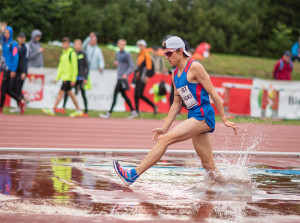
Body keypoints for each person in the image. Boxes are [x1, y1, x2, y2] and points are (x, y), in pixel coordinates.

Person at [113, 36, 237, 186]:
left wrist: (223, 118)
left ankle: (132, 174)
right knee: (208, 165)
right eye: (165, 54)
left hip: (203, 114)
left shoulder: (195, 67)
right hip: (194, 115)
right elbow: (176, 103)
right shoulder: (174, 73)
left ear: (180, 51)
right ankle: (231, 185)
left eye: (169, 54)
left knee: (165, 140)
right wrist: (164, 127)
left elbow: (213, 93)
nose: (166, 57)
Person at [42, 37, 83, 117]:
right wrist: (57, 78)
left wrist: (73, 79)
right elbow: (60, 68)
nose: (65, 45)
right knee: (70, 94)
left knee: (61, 93)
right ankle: (78, 110)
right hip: (64, 77)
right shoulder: (63, 54)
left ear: (69, 44)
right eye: (63, 44)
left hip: (69, 78)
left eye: (66, 44)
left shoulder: (72, 54)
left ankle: (53, 109)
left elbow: (75, 67)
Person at [100, 39, 137, 119]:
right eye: (120, 44)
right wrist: (116, 63)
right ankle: (133, 111)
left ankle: (109, 113)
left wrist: (125, 74)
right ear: (118, 45)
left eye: (123, 44)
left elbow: (131, 67)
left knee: (115, 94)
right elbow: (118, 63)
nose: (122, 46)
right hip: (119, 77)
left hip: (122, 79)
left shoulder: (127, 54)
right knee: (124, 96)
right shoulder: (117, 53)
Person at [60, 39, 89, 116]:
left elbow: (87, 67)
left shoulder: (83, 54)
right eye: (75, 45)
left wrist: (85, 77)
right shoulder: (72, 54)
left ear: (81, 45)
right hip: (74, 77)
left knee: (83, 93)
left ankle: (86, 111)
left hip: (81, 78)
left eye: (78, 45)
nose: (77, 46)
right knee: (67, 91)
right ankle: (63, 107)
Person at [0, 26, 26, 114]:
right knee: (7, 90)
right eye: (5, 32)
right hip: (4, 68)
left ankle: (1, 108)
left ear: (10, 33)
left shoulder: (13, 44)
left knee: (3, 88)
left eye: (8, 32)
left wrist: (13, 70)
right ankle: (20, 102)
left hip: (9, 69)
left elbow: (16, 57)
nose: (6, 34)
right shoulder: (4, 43)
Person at [131, 39, 156, 118]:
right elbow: (138, 67)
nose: (140, 47)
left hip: (143, 77)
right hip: (138, 77)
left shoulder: (146, 54)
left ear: (144, 46)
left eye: (141, 45)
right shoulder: (139, 54)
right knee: (136, 95)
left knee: (139, 94)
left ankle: (153, 106)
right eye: (139, 45)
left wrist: (147, 76)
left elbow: (149, 66)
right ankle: (137, 111)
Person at [10, 32, 28, 113]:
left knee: (17, 89)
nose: (21, 39)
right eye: (20, 37)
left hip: (21, 71)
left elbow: (25, 60)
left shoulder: (25, 48)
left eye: (23, 38)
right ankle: (24, 101)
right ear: (17, 38)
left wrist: (24, 71)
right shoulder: (16, 46)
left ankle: (20, 105)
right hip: (16, 70)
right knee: (13, 88)